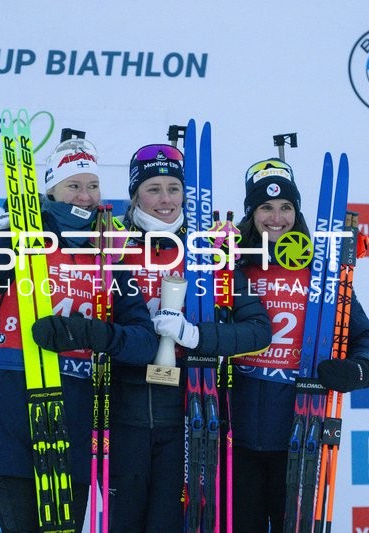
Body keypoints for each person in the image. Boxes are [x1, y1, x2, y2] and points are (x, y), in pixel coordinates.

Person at [0, 136, 157, 533]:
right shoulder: (18, 240)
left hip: (79, 413)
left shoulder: (109, 252)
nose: (84, 196)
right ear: (51, 190)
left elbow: (144, 342)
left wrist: (91, 333)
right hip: (13, 410)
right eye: (73, 185)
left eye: (93, 185)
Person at [107, 143, 272, 532]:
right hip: (120, 412)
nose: (165, 199)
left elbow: (257, 331)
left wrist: (194, 334)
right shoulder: (112, 243)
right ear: (135, 194)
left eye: (173, 188)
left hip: (187, 416)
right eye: (153, 188)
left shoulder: (211, 250)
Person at [230, 157, 369, 533]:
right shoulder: (233, 266)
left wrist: (357, 370)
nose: (276, 217)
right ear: (251, 213)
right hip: (234, 438)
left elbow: (362, 337)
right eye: (265, 207)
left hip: (299, 435)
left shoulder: (321, 271)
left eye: (286, 208)